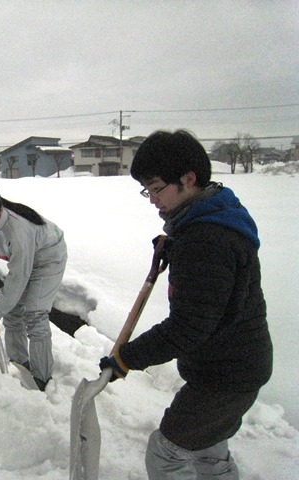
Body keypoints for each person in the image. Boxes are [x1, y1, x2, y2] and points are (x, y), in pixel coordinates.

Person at [99, 130, 273, 479]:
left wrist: (126, 357)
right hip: (233, 365)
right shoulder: (217, 212)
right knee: (208, 451)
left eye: (157, 188)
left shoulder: (206, 240)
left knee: (167, 453)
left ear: (189, 179)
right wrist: (177, 243)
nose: (151, 200)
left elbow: (188, 328)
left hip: (226, 376)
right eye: (146, 190)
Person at [0, 185, 67, 391]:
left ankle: (41, 377)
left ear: (0, 211)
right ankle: (20, 363)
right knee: (13, 312)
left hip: (48, 259)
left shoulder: (18, 230)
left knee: (35, 314)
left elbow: (18, 278)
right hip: (28, 258)